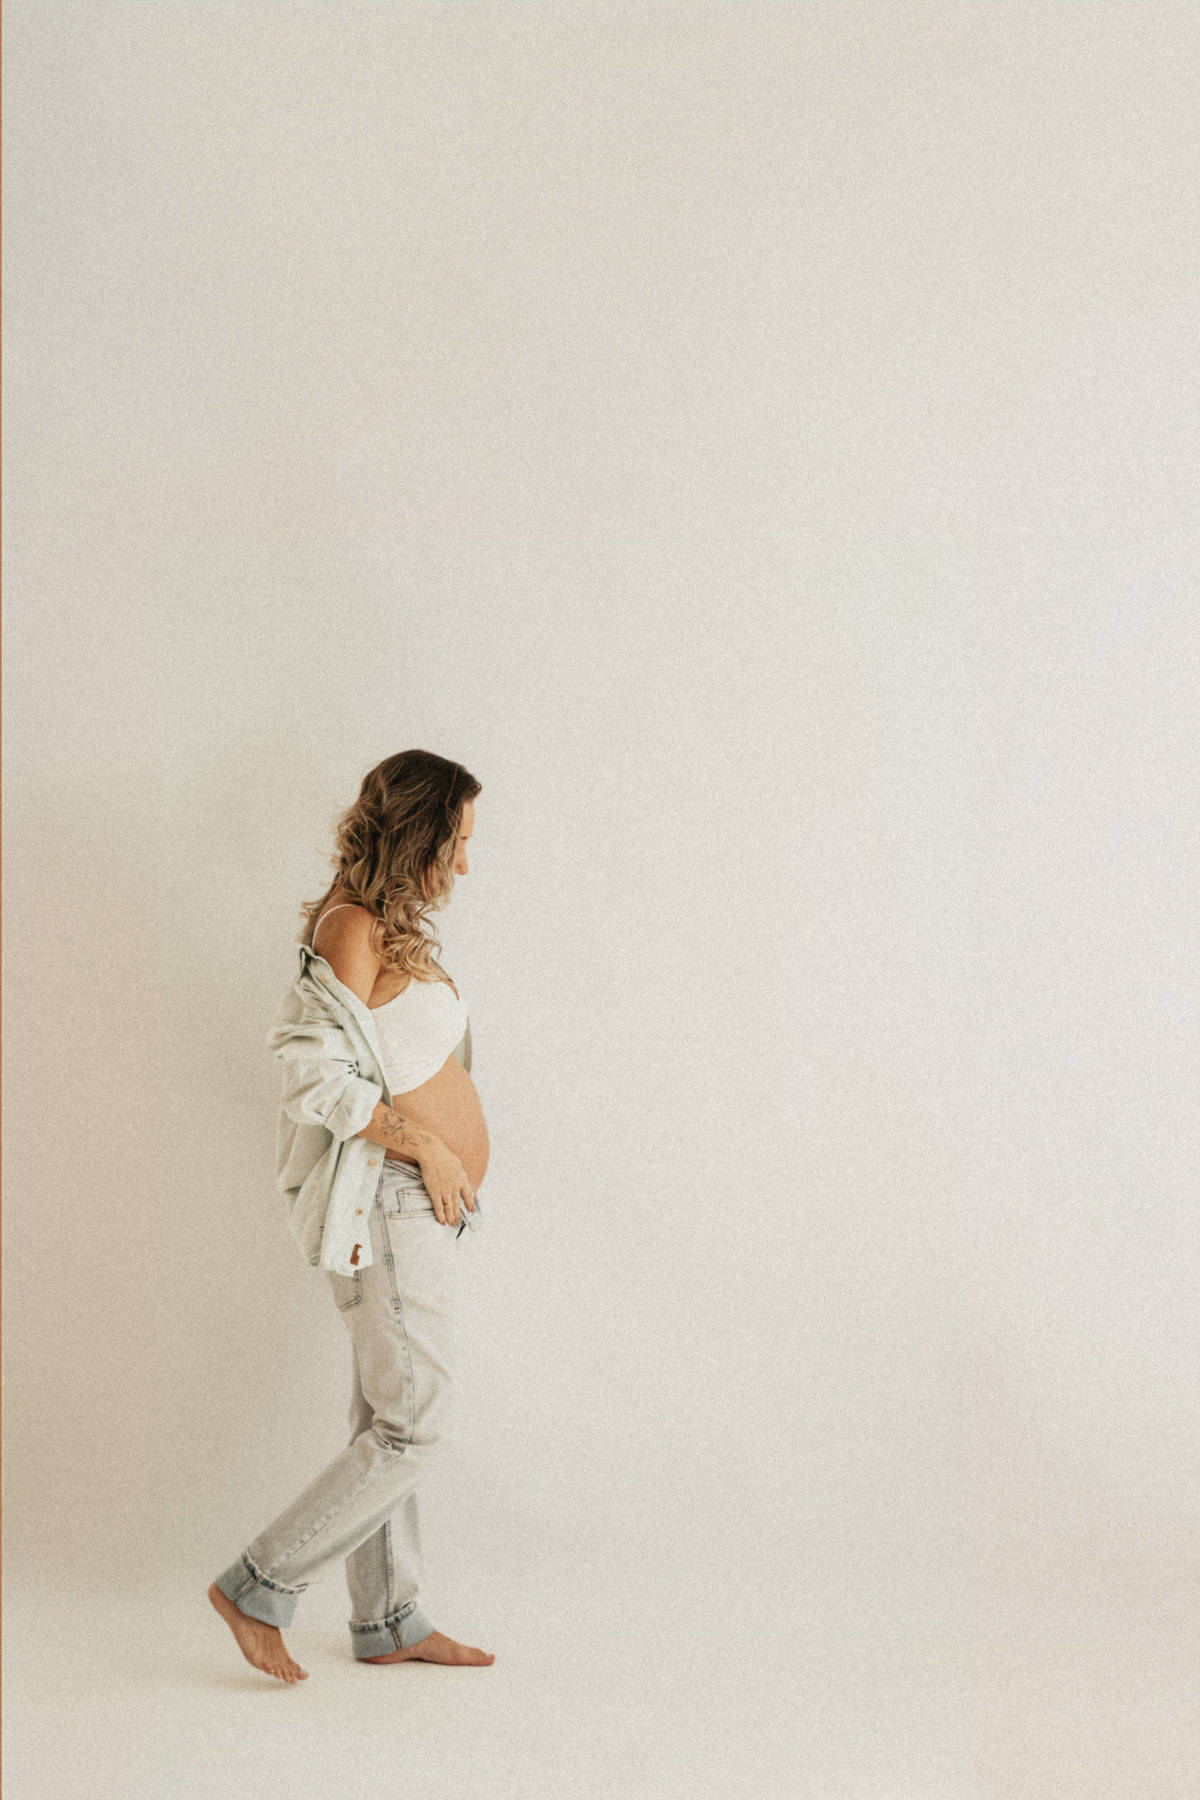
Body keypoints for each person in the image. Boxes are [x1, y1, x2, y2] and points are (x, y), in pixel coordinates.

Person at [207, 750, 495, 1683]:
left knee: (387, 1415)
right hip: (389, 1202)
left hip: (417, 1210)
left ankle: (389, 1617)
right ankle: (257, 1585)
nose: (463, 866)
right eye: (454, 843)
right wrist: (430, 1148)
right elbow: (314, 1076)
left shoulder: (386, 928)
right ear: (416, 834)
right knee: (416, 1425)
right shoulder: (350, 928)